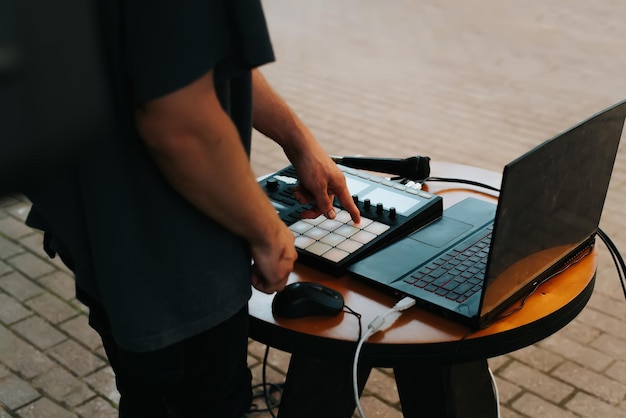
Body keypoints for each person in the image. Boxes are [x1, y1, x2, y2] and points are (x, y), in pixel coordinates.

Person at [24, 0, 360, 416]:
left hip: (96, 216)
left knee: (147, 395)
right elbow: (179, 123)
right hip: (166, 249)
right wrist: (267, 233)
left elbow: (194, 58)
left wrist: (299, 141)